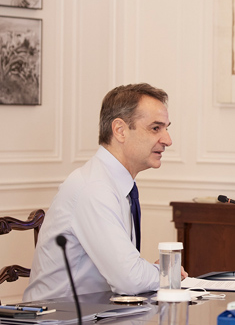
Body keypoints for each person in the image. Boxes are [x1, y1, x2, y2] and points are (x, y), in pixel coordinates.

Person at [24, 84, 173, 301]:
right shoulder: (94, 188)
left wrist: (152, 272)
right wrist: (166, 274)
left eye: (167, 128)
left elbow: (126, 272)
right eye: (156, 128)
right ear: (120, 130)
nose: (168, 140)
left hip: (95, 318)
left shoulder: (113, 182)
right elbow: (128, 279)